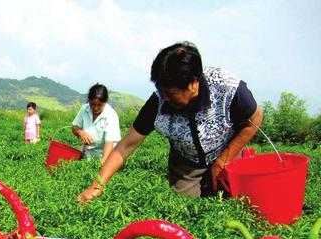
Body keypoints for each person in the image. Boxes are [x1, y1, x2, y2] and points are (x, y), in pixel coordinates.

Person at [78, 41, 264, 201]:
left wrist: (223, 160)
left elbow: (255, 118)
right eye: (162, 91)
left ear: (192, 84)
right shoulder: (158, 101)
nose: (164, 98)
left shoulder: (227, 87)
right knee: (185, 211)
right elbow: (126, 145)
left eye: (170, 93)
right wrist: (97, 186)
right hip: (186, 164)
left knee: (238, 200)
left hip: (227, 152)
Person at [72, 84, 121, 163]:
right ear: (89, 101)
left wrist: (102, 165)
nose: (95, 108)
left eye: (99, 105)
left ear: (105, 103)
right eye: (92, 104)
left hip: (104, 157)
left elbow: (109, 143)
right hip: (86, 155)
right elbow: (74, 127)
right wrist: (80, 133)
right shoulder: (85, 109)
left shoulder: (111, 115)